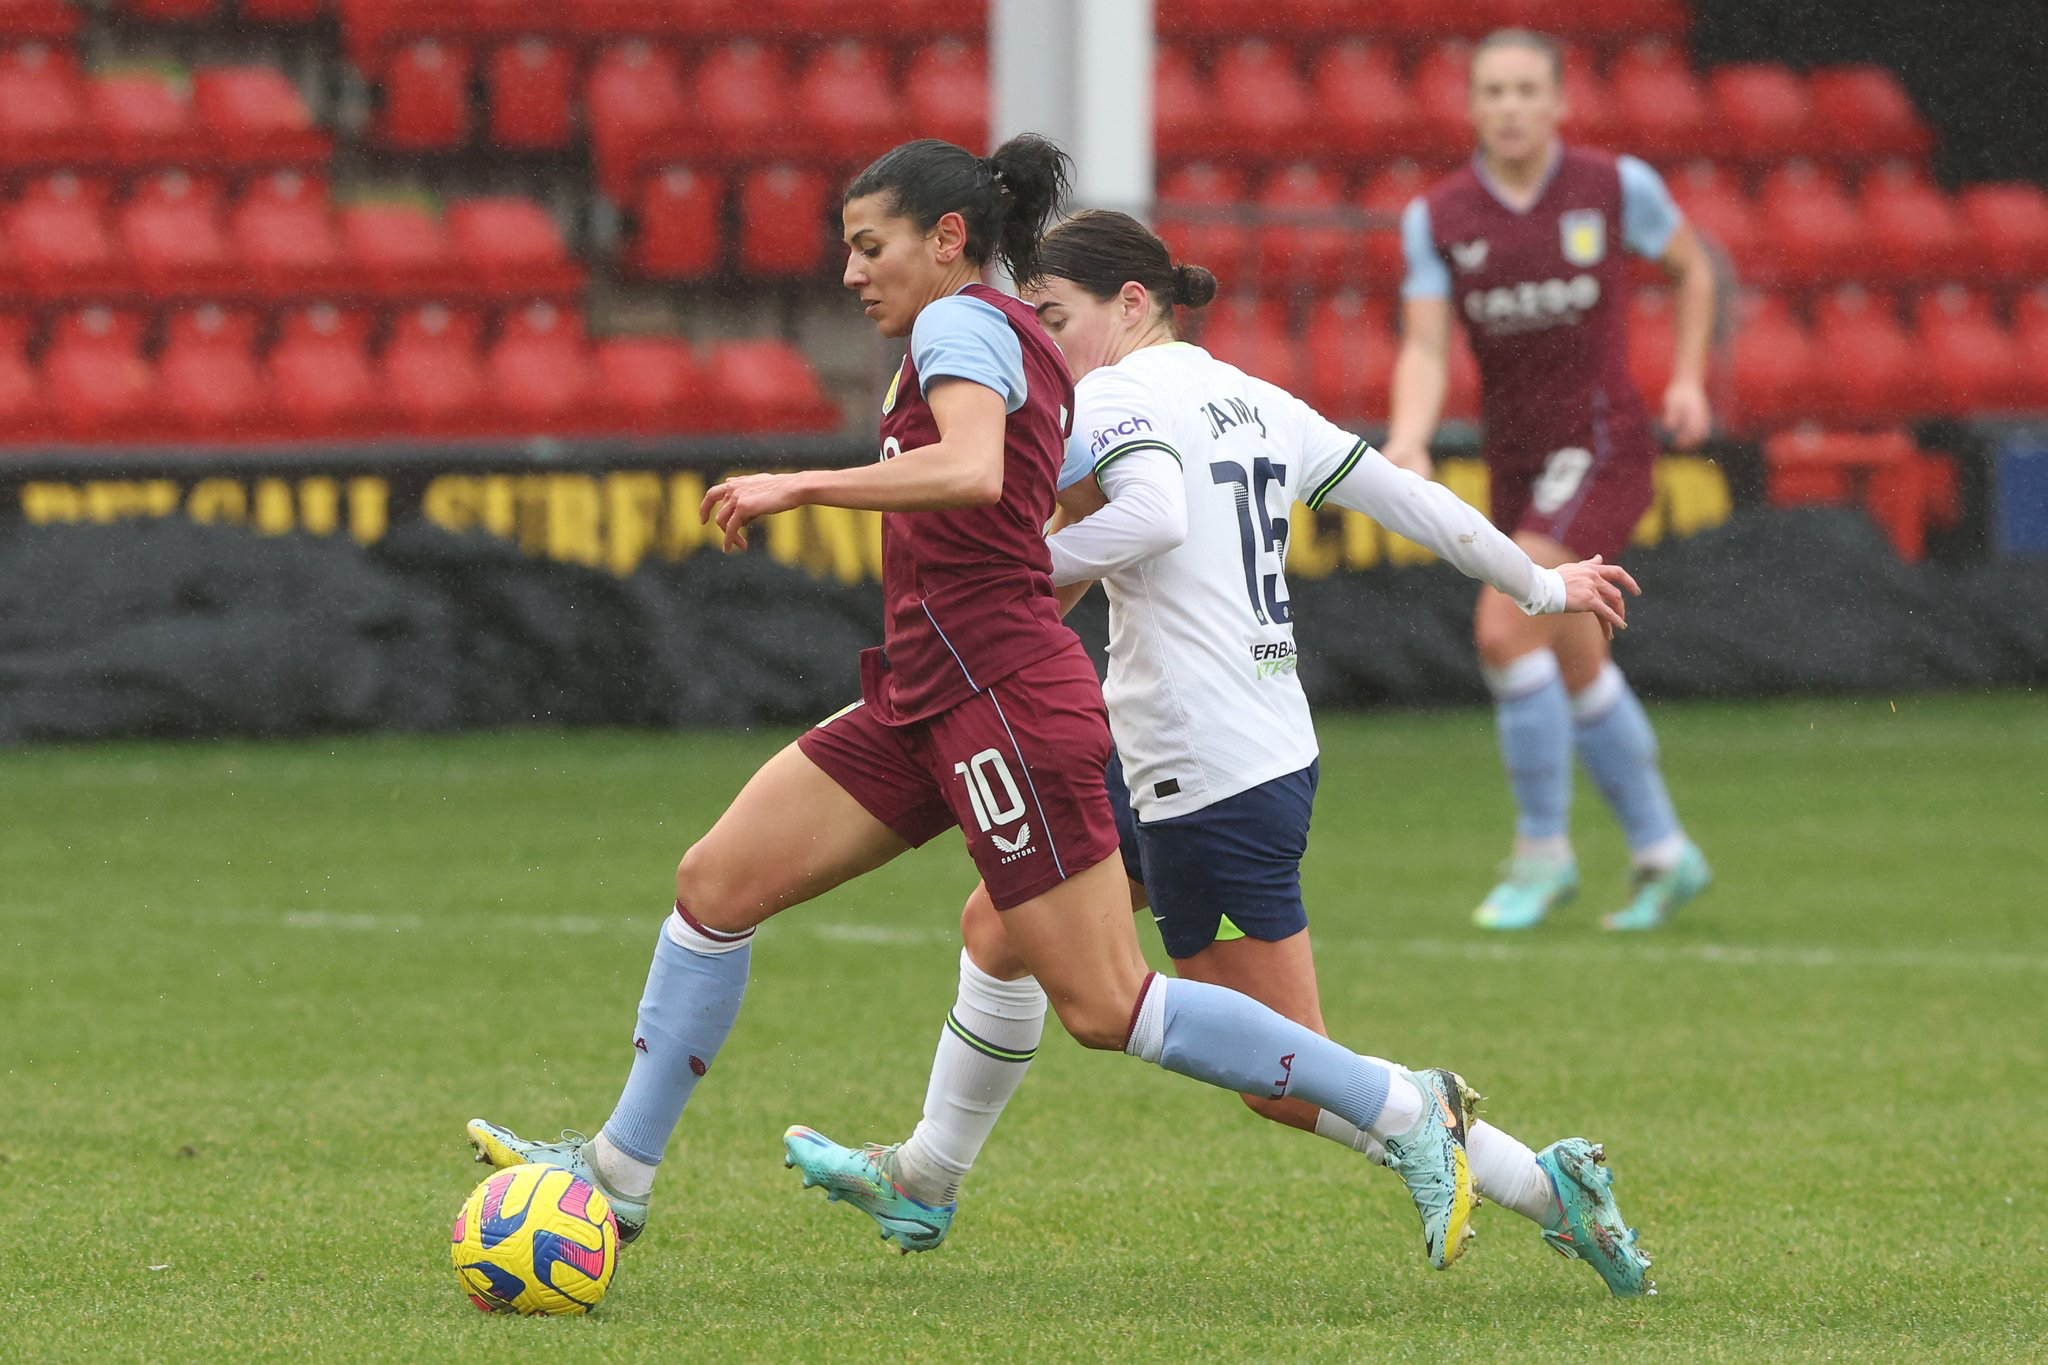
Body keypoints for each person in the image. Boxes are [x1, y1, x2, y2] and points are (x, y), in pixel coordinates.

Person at [464, 136, 1488, 1275]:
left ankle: (1404, 1106)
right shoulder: (1015, 337)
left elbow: (969, 471)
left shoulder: (957, 325)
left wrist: (800, 482)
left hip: (999, 696)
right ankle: (618, 1170)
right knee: (714, 885)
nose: (851, 272)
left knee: (1105, 1003)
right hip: (923, 689)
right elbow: (1064, 488)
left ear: (947, 239)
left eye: (871, 246)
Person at [784, 210, 1655, 1297]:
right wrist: (1539, 582)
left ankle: (1534, 1179)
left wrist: (1011, 576)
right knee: (998, 928)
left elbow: (1137, 518)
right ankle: (924, 1175)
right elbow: (1411, 500)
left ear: (1129, 304)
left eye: (1053, 316)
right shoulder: (1256, 398)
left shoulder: (1108, 398)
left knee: (1285, 1075)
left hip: (1204, 770)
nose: (1040, 343)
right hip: (1221, 742)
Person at [1381, 28, 1715, 931]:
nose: (1511, 107)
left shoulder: (1615, 187)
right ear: (1472, 106)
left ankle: (1542, 854)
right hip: (1517, 461)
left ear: (1561, 101)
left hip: (1603, 442)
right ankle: (1665, 852)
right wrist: (1408, 437)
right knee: (1574, 656)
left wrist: (1688, 377)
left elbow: (1691, 269)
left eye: (1528, 89)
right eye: (1493, 90)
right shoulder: (1438, 216)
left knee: (1506, 624)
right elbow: (1424, 344)